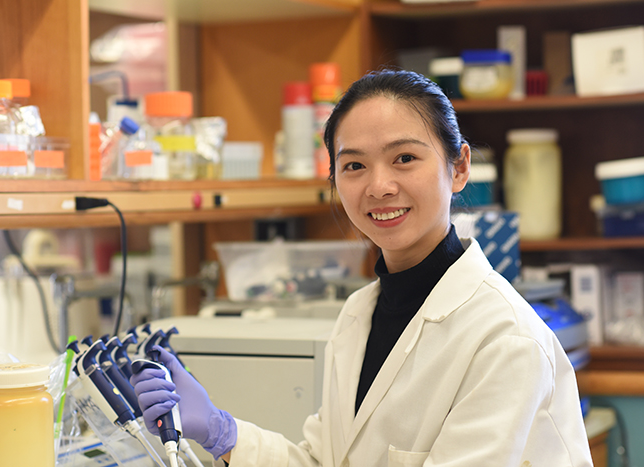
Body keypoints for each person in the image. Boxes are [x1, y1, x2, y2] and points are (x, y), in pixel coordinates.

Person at [131, 69, 594, 467]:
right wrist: (221, 433)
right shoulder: (359, 315)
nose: (380, 186)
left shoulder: (504, 339)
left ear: (458, 167)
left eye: (405, 158)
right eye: (354, 165)